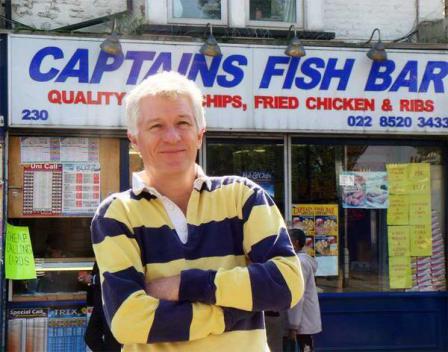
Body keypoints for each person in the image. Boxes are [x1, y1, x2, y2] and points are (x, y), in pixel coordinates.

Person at [91, 71, 304, 351]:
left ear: (199, 134)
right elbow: (128, 322)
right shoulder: (117, 214)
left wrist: (184, 285)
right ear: (134, 139)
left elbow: (286, 284)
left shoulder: (243, 197)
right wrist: (232, 311)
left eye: (183, 123)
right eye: (156, 126)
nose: (172, 136)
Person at [286, 229, 322, 352]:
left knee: (304, 347)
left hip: (302, 321)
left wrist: (293, 326)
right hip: (303, 320)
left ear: (295, 243)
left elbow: (298, 295)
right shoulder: (302, 260)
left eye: (287, 239)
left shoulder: (299, 263)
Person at [80, 262, 121, 351]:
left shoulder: (112, 250)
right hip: (100, 304)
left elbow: (116, 274)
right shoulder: (100, 250)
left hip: (111, 303)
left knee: (111, 341)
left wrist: (92, 279)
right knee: (91, 337)